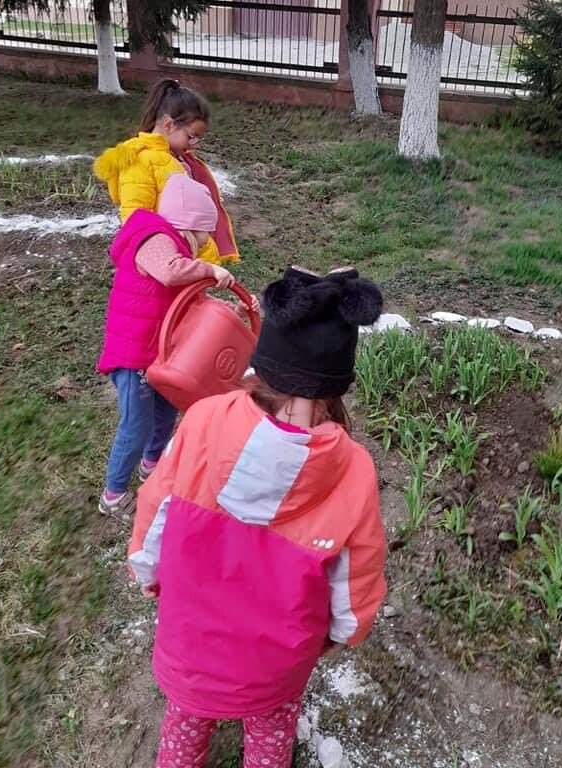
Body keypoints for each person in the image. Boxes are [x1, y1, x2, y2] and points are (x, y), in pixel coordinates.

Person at [128, 266, 387, 768]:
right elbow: (358, 574)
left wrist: (146, 568)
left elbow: (155, 507)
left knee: (184, 725)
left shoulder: (203, 420)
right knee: (270, 739)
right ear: (336, 386)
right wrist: (344, 633)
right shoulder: (353, 470)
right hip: (276, 670)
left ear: (262, 361)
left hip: (190, 652)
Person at [97, 173, 237, 516]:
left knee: (166, 411)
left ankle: (152, 465)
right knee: (136, 425)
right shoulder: (154, 238)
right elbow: (171, 272)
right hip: (133, 356)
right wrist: (207, 269)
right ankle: (114, 494)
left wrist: (228, 311)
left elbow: (189, 301)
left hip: (159, 354)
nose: (205, 240)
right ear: (190, 223)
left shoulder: (177, 249)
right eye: (204, 232)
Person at [93, 78, 239, 265]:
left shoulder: (175, 158)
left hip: (188, 256)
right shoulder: (140, 161)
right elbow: (135, 217)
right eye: (191, 136)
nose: (194, 144)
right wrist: (168, 248)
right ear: (169, 125)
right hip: (166, 260)